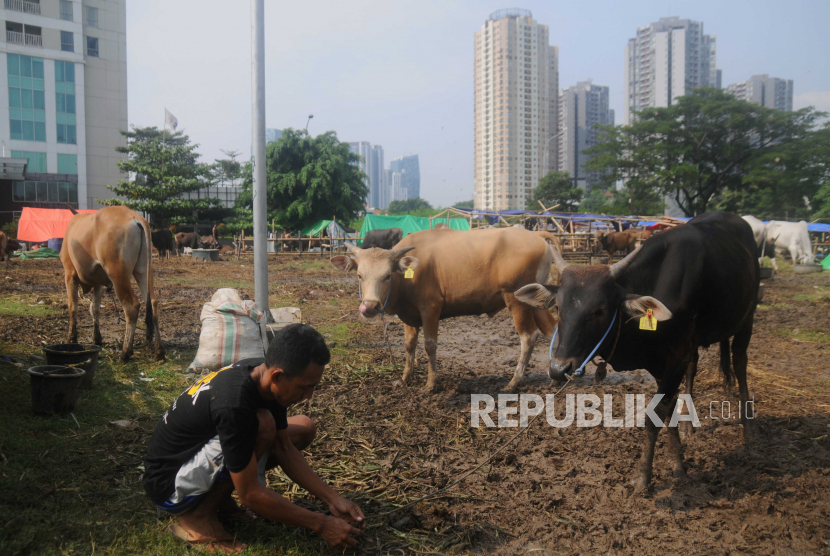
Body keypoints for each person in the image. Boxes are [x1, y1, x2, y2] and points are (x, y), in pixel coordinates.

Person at [142, 324, 364, 553]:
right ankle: (198, 520)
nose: (308, 396)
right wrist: (322, 524)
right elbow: (249, 494)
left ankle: (218, 500)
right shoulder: (235, 402)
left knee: (303, 427)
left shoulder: (263, 374)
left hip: (197, 458)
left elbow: (284, 448)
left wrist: (333, 498)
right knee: (263, 425)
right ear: (278, 376)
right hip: (168, 485)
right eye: (305, 388)